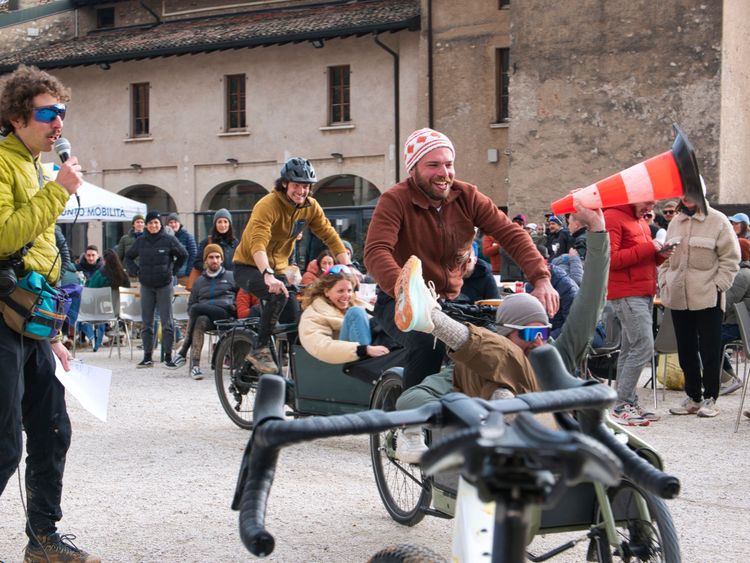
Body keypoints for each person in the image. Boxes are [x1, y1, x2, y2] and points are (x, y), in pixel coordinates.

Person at [392, 199, 608, 462]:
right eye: (528, 334)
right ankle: (430, 318)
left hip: (561, 450)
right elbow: (410, 400)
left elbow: (591, 302)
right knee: (493, 364)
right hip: (505, 464)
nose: (539, 340)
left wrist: (597, 230)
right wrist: (467, 408)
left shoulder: (556, 355)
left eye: (543, 331)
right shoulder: (475, 367)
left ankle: (432, 318)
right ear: (506, 334)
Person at [364, 128, 557, 391]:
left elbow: (511, 233)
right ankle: (413, 423)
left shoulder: (467, 196)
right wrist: (405, 291)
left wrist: (541, 278)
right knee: (427, 342)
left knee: (500, 338)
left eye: (449, 164)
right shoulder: (395, 200)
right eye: (433, 165)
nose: (444, 173)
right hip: (398, 300)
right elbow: (376, 251)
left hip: (452, 299)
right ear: (413, 170)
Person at [0, 65, 99, 562]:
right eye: (47, 113)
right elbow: (2, 238)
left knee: (53, 430)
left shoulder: (35, 167)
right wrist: (58, 190)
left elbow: (46, 248)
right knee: (2, 446)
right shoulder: (1, 162)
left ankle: (42, 539)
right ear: (18, 117)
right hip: (0, 318)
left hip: (30, 322)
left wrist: (53, 332)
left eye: (61, 112)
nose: (58, 122)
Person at [233, 157, 351, 374]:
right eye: (297, 185)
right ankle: (259, 351)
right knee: (278, 295)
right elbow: (257, 242)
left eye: (306, 186)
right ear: (285, 183)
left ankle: (299, 379)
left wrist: (348, 265)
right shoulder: (268, 204)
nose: (301, 191)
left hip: (277, 269)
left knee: (297, 321)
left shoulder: (310, 207)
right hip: (248, 266)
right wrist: (267, 274)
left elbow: (328, 233)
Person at [661, 189, 740, 418]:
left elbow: (731, 258)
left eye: (691, 192)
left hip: (708, 295)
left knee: (710, 349)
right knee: (685, 349)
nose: (686, 197)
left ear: (700, 193)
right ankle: (693, 396)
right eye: (682, 193)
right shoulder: (675, 222)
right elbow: (665, 257)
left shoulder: (718, 220)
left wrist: (718, 285)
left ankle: (711, 397)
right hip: (678, 296)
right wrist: (665, 280)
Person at [604, 200, 672, 426]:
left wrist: (661, 254)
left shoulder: (639, 220)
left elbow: (643, 256)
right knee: (643, 346)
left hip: (642, 291)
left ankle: (626, 401)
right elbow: (611, 259)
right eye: (647, 202)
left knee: (632, 348)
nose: (650, 208)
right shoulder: (614, 216)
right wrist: (649, 248)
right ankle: (621, 404)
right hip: (627, 292)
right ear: (633, 197)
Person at [125, 210, 188, 368]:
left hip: (165, 285)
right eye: (151, 222)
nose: (153, 225)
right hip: (146, 285)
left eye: (156, 223)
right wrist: (136, 271)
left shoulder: (168, 239)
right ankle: (147, 357)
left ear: (160, 224)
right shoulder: (141, 241)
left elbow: (183, 254)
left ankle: (168, 356)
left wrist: (173, 271)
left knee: (167, 322)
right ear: (147, 225)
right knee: (147, 322)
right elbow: (128, 257)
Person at [298, 264, 390, 363]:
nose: (346, 295)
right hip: (348, 358)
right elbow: (319, 346)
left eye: (349, 290)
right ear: (326, 291)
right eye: (340, 291)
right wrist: (362, 350)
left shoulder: (356, 303)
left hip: (374, 349)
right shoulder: (313, 313)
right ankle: (369, 362)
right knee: (356, 312)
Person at [170, 244, 236, 379]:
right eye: (211, 257)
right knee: (199, 320)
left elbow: (241, 298)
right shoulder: (199, 281)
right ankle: (195, 366)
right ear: (205, 261)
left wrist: (234, 307)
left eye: (218, 257)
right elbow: (191, 305)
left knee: (196, 309)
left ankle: (183, 352)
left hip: (226, 314)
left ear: (222, 259)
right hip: (207, 317)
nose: (215, 260)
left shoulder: (231, 276)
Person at [82, 249, 130, 352]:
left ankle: (91, 339)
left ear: (104, 260)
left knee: (81, 310)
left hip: (100, 311)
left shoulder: (100, 274)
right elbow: (128, 292)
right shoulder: (124, 275)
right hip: (121, 312)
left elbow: (90, 291)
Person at [719, 238, 750, 395]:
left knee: (708, 340)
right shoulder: (745, 272)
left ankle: (728, 379)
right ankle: (729, 376)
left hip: (737, 326)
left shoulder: (741, 275)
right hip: (739, 325)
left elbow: (726, 302)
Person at [194, 208, 239, 274]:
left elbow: (239, 263)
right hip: (212, 280)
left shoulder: (235, 242)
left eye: (225, 221)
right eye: (219, 222)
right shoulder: (207, 242)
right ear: (215, 224)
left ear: (229, 224)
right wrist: (209, 268)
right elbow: (197, 263)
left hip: (231, 281)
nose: (222, 225)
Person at [167, 212, 198, 285]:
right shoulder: (164, 238)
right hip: (168, 277)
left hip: (183, 276)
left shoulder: (187, 237)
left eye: (175, 222)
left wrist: (188, 272)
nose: (173, 224)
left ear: (179, 223)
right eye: (171, 222)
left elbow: (193, 255)